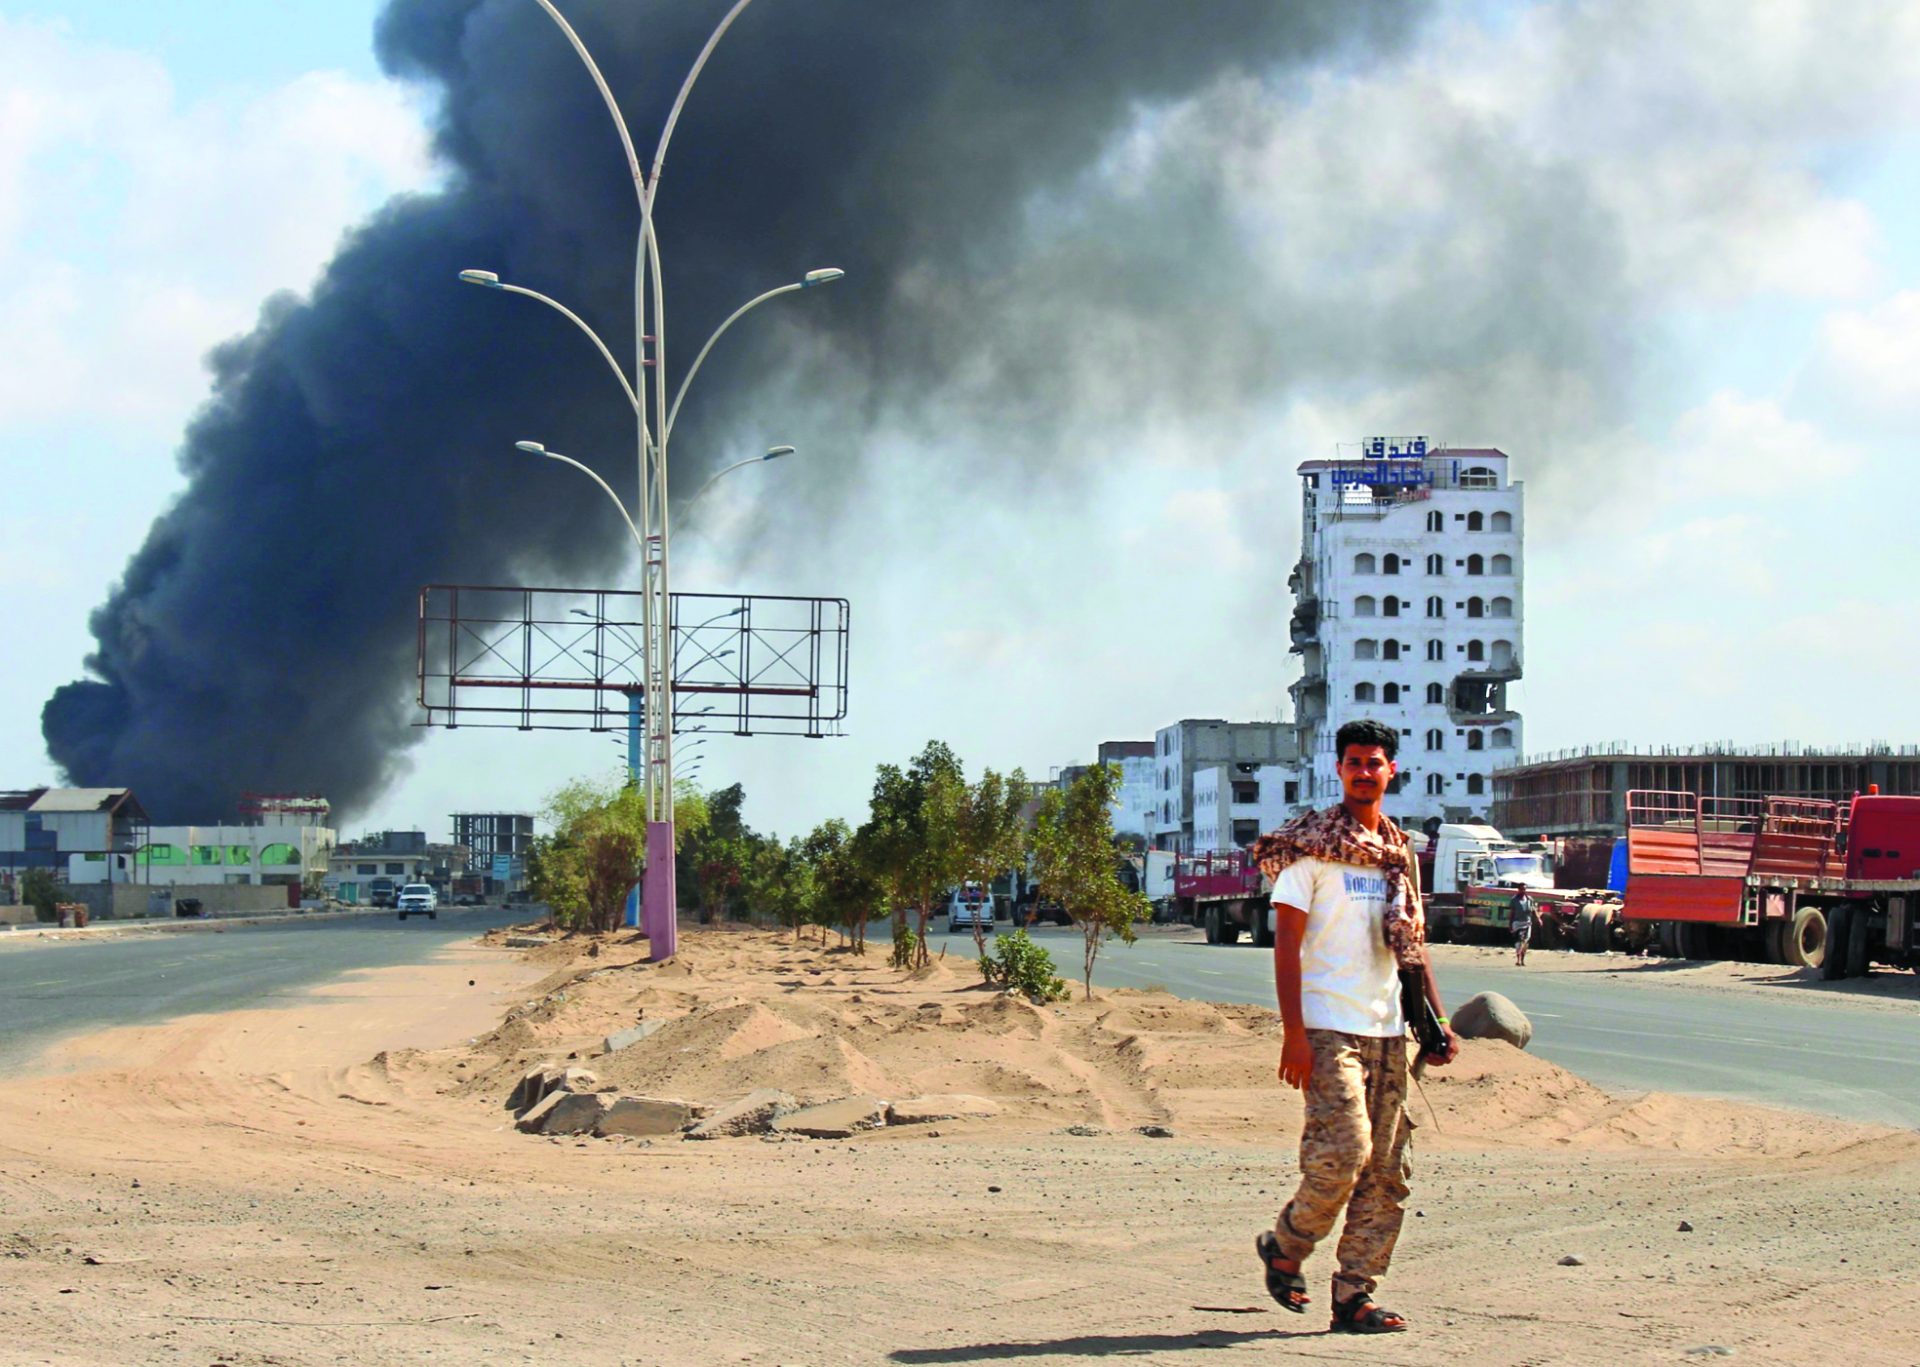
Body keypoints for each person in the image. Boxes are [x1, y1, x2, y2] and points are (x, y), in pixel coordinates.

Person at [1246, 718, 1458, 1335]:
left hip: (1389, 1027)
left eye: (1375, 763)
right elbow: (1285, 948)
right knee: (1344, 1153)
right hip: (1326, 1026)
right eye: (1354, 762)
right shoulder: (1308, 852)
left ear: (1392, 771)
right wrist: (1293, 1033)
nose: (1365, 772)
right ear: (1338, 770)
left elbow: (1413, 945)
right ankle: (1287, 1245)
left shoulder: (1399, 855)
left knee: (1387, 1171)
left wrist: (1436, 1022)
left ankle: (1355, 1294)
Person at [1509, 885, 1536, 966]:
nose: (1523, 891)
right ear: (1518, 890)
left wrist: (1539, 919)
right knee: (1518, 942)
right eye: (1521, 889)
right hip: (1517, 923)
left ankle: (1523, 960)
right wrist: (1510, 924)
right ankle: (1518, 960)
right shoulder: (1514, 900)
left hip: (1527, 923)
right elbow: (1512, 913)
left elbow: (1533, 910)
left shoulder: (1529, 899)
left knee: (1525, 941)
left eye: (1524, 889)